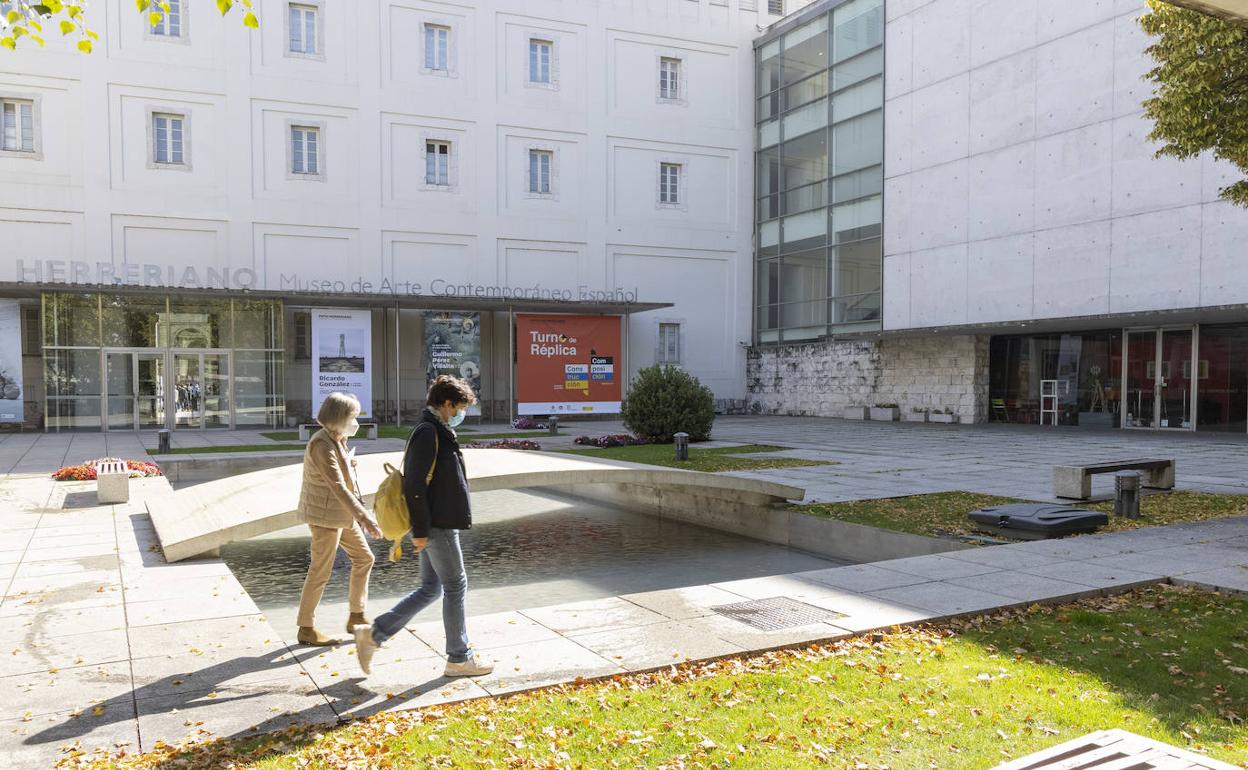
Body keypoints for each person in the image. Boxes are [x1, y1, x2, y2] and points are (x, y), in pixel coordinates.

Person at [353, 375, 493, 677]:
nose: (460, 414)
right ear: (446, 404)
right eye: (459, 407)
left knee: (431, 588)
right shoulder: (428, 432)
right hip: (436, 525)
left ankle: (373, 635)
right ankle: (459, 657)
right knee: (456, 585)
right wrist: (420, 530)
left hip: (439, 522)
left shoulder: (437, 430)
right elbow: (415, 486)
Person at [295, 391, 382, 646]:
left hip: (340, 514)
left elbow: (340, 477)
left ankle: (356, 616)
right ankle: (306, 627)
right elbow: (337, 487)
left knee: (365, 558)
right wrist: (365, 518)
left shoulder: (337, 438)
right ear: (339, 417)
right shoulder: (321, 444)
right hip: (325, 516)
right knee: (320, 570)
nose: (355, 421)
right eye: (352, 416)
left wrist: (348, 463)